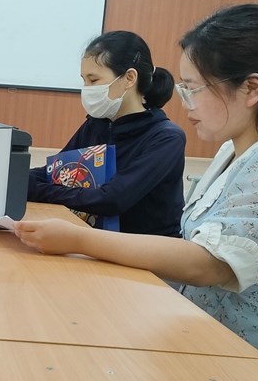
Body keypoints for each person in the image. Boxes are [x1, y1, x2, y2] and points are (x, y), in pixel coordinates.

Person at [14, 4, 258, 381]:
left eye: (194, 88)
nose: (185, 102)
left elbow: (208, 264)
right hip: (215, 347)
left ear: (251, 89)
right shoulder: (236, 151)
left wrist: (78, 240)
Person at [28, 31, 185, 236]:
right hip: (95, 237)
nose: (87, 89)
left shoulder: (166, 138)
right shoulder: (97, 124)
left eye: (93, 81)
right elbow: (58, 172)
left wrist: (37, 189)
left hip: (142, 247)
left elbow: (112, 199)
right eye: (84, 81)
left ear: (129, 78)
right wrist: (17, 177)